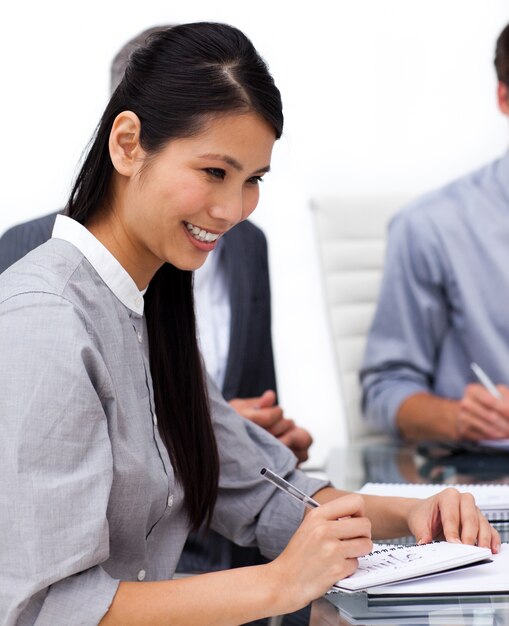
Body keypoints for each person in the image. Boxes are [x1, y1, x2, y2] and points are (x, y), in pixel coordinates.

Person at [0, 22, 499, 625]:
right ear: (128, 144)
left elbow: (261, 489)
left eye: (253, 180)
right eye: (215, 172)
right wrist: (276, 587)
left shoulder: (149, 303)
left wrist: (416, 514)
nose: (234, 210)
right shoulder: (45, 320)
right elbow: (44, 609)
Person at [361, 22, 509, 443]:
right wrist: (457, 418)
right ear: (504, 98)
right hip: (488, 483)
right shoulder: (431, 227)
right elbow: (384, 389)